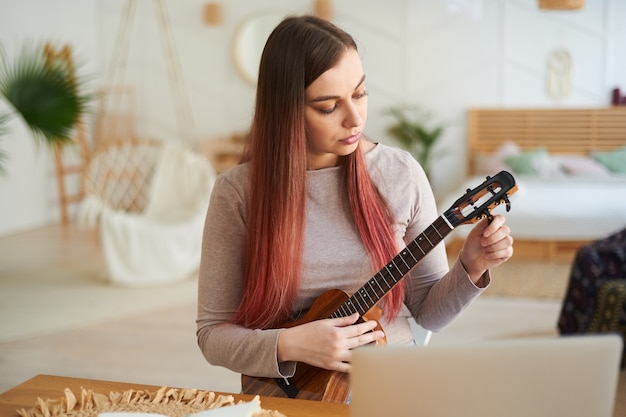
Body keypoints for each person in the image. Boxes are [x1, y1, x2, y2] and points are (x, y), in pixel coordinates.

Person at [196, 15, 513, 383]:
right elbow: (212, 334)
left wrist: (471, 267)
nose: (355, 119)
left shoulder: (400, 174)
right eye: (328, 106)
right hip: (286, 393)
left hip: (391, 383)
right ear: (286, 111)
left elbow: (429, 314)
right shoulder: (237, 193)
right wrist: (289, 345)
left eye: (360, 94)